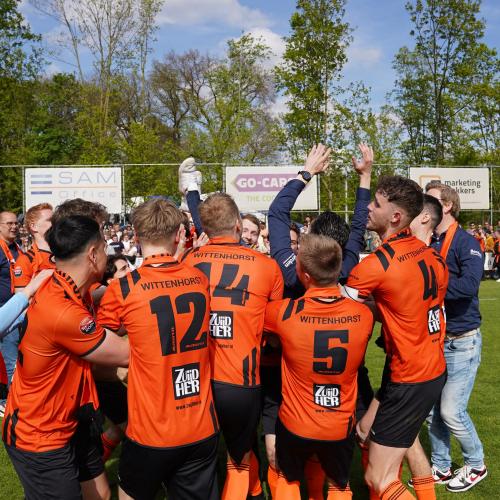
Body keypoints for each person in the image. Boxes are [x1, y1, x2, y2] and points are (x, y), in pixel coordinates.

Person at [264, 143, 373, 497]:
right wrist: (365, 178)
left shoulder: (288, 279)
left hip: (292, 385)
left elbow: (277, 214)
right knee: (340, 474)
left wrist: (306, 173)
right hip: (341, 389)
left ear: (303, 267)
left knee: (288, 470)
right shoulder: (352, 276)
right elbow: (359, 226)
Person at [98, 198, 219, 500]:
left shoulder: (123, 288)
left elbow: (98, 350)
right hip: (200, 422)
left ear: (137, 236)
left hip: (151, 428)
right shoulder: (199, 279)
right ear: (179, 235)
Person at [2, 215, 129, 500]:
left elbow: (99, 304)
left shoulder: (62, 283)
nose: (108, 253)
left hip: (70, 418)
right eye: (105, 247)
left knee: (100, 494)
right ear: (93, 254)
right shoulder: (64, 312)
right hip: (40, 434)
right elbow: (127, 355)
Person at [343, 176, 448, 500]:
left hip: (409, 376)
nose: (368, 208)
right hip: (427, 367)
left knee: (378, 476)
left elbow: (341, 312)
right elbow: (405, 310)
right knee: (368, 433)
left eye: (376, 204)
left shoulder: (376, 265)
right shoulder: (432, 256)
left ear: (396, 217)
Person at [182, 193, 284, 500]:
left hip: (196, 378)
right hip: (240, 377)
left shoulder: (189, 261)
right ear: (238, 225)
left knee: (200, 461)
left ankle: (253, 491)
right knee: (238, 458)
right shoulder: (267, 266)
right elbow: (274, 328)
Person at [425, 181, 487, 492]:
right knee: (433, 411)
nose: (423, 204)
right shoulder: (429, 241)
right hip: (437, 339)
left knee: (451, 411)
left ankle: (476, 464)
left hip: (462, 340)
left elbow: (469, 286)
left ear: (447, 205)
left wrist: (430, 287)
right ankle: (441, 466)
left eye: (430, 199)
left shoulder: (466, 242)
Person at [0, 211, 22, 416]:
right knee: (11, 359)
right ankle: (11, 402)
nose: (14, 226)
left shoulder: (17, 247)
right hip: (5, 312)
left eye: (16, 223)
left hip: (19, 310)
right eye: (9, 223)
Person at [13, 203, 54, 292]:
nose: (56, 223)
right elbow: (21, 298)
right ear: (33, 226)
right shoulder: (26, 260)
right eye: (50, 220)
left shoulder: (64, 254)